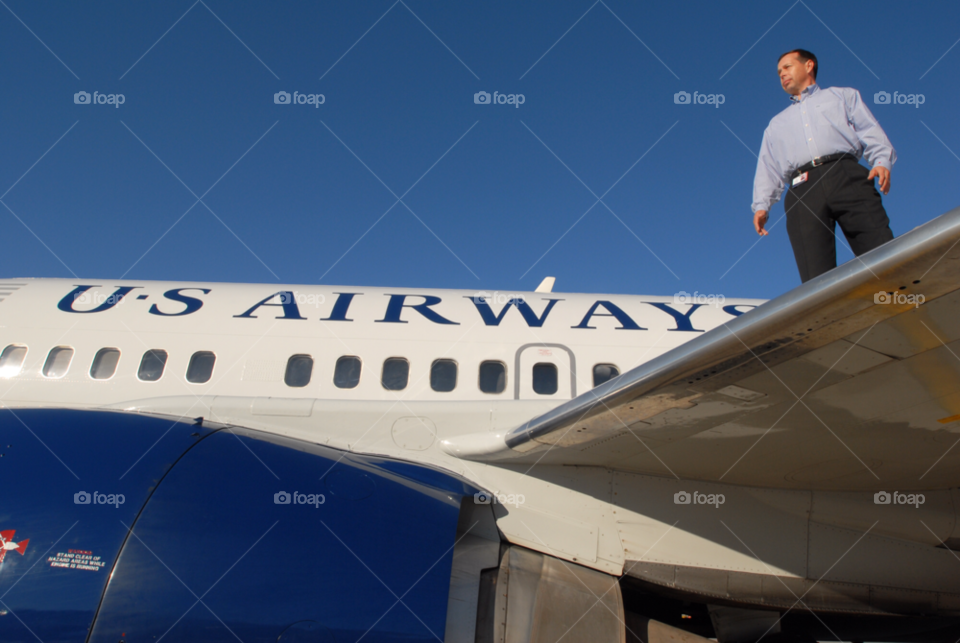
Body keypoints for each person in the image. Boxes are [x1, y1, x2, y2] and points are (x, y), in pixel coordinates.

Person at [752, 49, 896, 283]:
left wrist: (881, 161)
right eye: (779, 72)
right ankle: (835, 319)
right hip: (802, 190)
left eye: (787, 67)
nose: (782, 75)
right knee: (815, 277)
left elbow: (869, 129)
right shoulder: (775, 125)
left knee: (881, 253)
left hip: (846, 173)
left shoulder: (843, 96)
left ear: (809, 66)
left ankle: (898, 303)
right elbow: (768, 167)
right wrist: (762, 205)